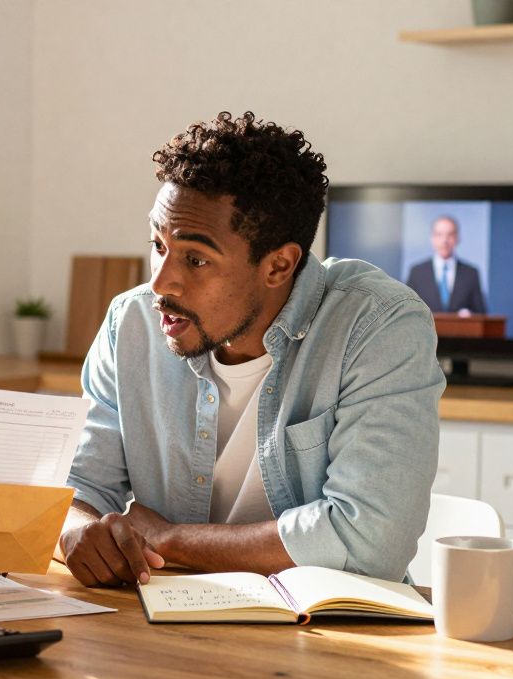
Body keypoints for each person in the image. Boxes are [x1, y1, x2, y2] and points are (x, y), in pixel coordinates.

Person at [58, 111, 445, 588]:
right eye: (158, 246)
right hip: (163, 619)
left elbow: (370, 541)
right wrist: (75, 530)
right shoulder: (131, 323)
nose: (160, 282)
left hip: (332, 635)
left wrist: (170, 539)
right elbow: (77, 490)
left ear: (279, 266)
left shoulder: (378, 325)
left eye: (195, 259)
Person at [405, 215, 488, 315]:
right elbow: (407, 309)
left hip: (460, 330)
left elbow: (481, 313)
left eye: (450, 235)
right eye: (439, 234)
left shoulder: (471, 273)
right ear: (432, 238)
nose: (445, 240)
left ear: (457, 238)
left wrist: (469, 314)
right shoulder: (417, 272)